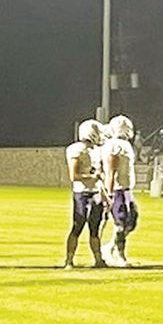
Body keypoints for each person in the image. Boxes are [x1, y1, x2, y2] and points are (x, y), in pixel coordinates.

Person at [63, 119, 107, 269]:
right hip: (82, 193)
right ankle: (69, 260)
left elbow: (97, 174)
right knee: (78, 226)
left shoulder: (96, 150)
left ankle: (98, 259)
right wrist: (93, 177)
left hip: (95, 192)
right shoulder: (77, 150)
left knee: (95, 228)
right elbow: (74, 175)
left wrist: (105, 194)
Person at [102, 114, 139, 267]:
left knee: (132, 221)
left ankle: (109, 247)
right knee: (120, 223)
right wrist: (109, 194)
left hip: (126, 189)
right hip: (118, 190)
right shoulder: (115, 145)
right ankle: (120, 256)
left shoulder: (124, 144)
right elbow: (112, 171)